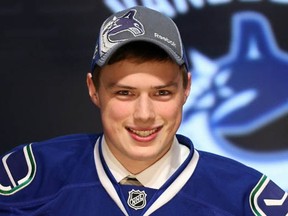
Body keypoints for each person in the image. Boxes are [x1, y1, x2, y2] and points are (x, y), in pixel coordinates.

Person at [0, 6, 287, 216]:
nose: (144, 114)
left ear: (186, 88)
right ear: (93, 90)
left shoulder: (245, 199)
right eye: (125, 93)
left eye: (162, 93)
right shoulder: (31, 179)